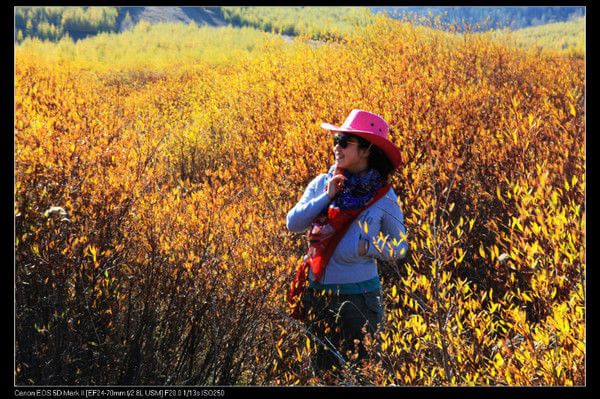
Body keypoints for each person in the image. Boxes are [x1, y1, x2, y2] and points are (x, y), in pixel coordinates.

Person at [286, 109, 409, 377]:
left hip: (361, 299)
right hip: (318, 294)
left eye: (344, 141)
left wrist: (366, 247)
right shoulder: (322, 183)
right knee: (323, 374)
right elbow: (293, 223)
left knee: (362, 374)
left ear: (366, 150)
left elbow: (400, 246)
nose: (336, 147)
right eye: (335, 141)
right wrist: (327, 196)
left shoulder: (384, 196)